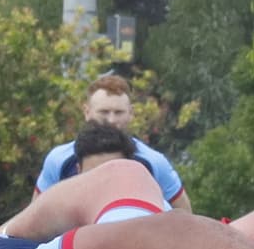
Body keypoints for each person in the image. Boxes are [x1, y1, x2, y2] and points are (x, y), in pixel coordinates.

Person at [35, 73, 185, 209]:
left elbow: (183, 217)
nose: (111, 120)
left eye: (119, 112)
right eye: (104, 112)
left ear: (131, 114)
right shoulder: (59, 160)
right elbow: (35, 216)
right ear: (87, 112)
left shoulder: (154, 163)